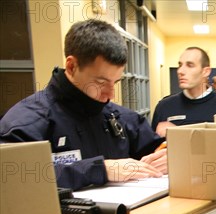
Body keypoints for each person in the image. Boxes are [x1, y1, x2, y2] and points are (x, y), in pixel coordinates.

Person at [0, 19, 166, 191]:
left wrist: (168, 157)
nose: (111, 95)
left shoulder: (121, 118)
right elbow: (15, 178)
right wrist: (98, 169)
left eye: (115, 82)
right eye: (100, 82)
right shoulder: (26, 122)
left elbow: (157, 149)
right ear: (71, 66)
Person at [151, 47, 216, 136]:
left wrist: (176, 134)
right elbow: (153, 148)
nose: (180, 71)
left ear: (205, 71)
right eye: (180, 65)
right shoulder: (164, 106)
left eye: (190, 65)